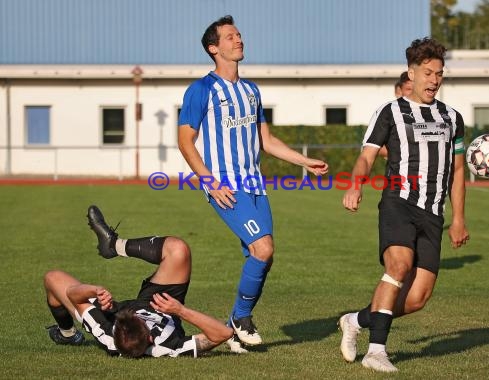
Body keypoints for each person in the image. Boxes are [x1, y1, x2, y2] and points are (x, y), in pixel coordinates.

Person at [177, 15, 328, 351]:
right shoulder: (201, 90)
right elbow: (186, 141)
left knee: (263, 257)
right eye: (230, 37)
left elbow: (267, 141)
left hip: (255, 185)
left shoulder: (251, 90)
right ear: (213, 48)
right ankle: (242, 318)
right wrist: (210, 182)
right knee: (264, 248)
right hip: (226, 186)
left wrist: (306, 161)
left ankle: (232, 325)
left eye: (239, 35)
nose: (238, 40)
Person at [340, 37, 470, 373]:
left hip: (433, 213)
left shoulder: (452, 118)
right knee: (398, 265)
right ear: (411, 74)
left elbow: (457, 170)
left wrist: (458, 219)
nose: (434, 80)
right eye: (428, 73)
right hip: (398, 202)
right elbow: (366, 156)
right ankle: (376, 352)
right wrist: (356, 186)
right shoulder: (390, 112)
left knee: (416, 299)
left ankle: (356, 320)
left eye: (439, 73)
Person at [44, 205, 234, 358]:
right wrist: (180, 311)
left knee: (52, 278)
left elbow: (73, 295)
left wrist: (94, 291)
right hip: (163, 304)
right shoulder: (167, 346)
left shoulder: (107, 332)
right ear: (150, 337)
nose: (137, 315)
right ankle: (114, 246)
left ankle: (67, 334)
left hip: (118, 310)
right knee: (178, 250)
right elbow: (223, 334)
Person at [379, 71, 414, 159]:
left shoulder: (431, 113)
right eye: (408, 89)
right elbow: (374, 146)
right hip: (398, 169)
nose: (412, 93)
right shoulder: (389, 114)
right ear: (399, 90)